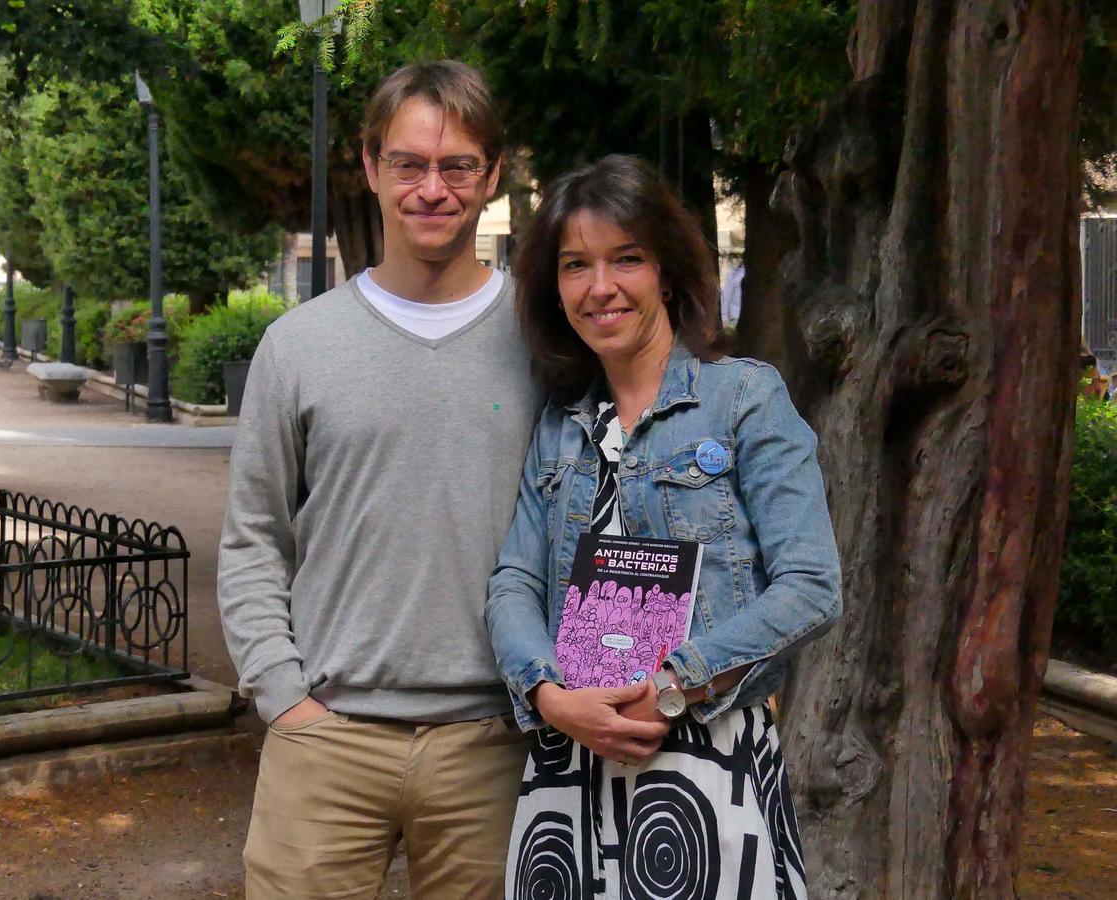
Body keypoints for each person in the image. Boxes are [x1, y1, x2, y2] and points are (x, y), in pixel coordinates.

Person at [217, 60, 541, 899]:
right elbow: (254, 534)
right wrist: (281, 694)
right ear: (370, 166)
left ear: (493, 173)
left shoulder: (546, 343)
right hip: (328, 737)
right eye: (409, 163)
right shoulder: (298, 346)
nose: (432, 189)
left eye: (458, 165)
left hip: (495, 745)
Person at [486, 155, 842, 898]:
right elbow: (515, 579)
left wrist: (678, 683)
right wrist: (548, 696)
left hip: (704, 762)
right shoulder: (560, 425)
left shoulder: (743, 399)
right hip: (571, 767)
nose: (600, 287)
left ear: (668, 273)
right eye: (575, 265)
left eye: (627, 259)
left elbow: (812, 586)